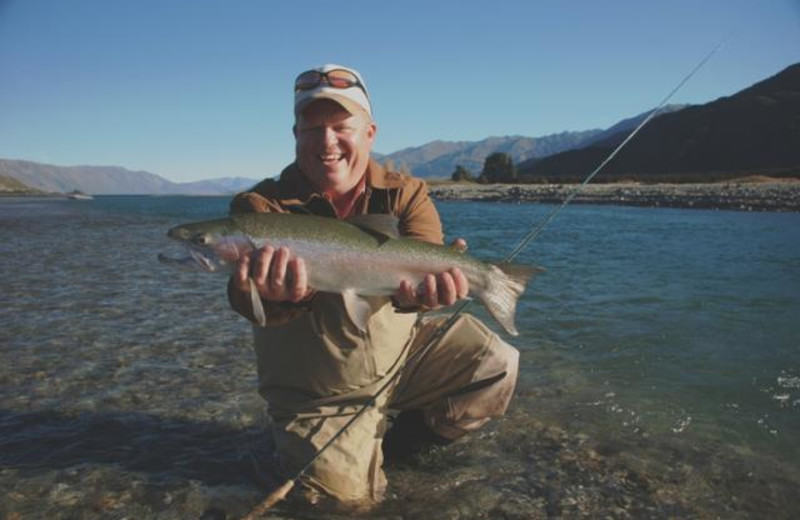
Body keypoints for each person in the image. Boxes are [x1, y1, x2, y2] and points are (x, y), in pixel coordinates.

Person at [227, 64, 519, 507]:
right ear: (295, 135)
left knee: (496, 365)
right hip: (318, 393)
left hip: (398, 362)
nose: (327, 142)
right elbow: (241, 299)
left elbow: (425, 263)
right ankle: (286, 458)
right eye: (313, 129)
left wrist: (427, 294)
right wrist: (277, 295)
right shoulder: (259, 209)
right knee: (346, 504)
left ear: (369, 133)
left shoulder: (406, 193)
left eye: (341, 126)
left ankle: (392, 448)